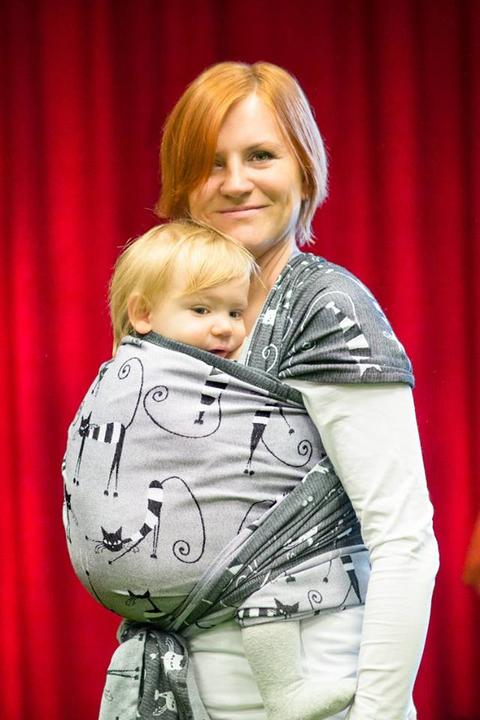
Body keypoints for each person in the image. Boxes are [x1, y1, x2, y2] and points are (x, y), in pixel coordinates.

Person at [152, 61, 439, 720]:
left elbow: (404, 542)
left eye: (260, 156)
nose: (235, 182)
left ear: (304, 170)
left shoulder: (325, 310)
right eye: (210, 163)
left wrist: (376, 713)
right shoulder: (176, 319)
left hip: (318, 699)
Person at [64, 220, 357, 720]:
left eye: (235, 311)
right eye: (202, 310)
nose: (225, 327)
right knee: (278, 566)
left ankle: (284, 692)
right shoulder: (130, 377)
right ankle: (285, 690)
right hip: (199, 575)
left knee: (265, 568)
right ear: (142, 313)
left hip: (167, 587)